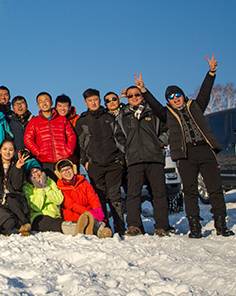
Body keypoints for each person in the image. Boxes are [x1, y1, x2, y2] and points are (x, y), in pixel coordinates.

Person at [135, 54, 233, 238]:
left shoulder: (195, 106)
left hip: (204, 151)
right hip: (184, 155)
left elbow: (205, 91)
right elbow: (155, 105)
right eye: (171, 97)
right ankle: (194, 226)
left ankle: (221, 224)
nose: (175, 98)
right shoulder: (167, 114)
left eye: (177, 94)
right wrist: (144, 90)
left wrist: (211, 72)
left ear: (182, 95)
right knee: (189, 191)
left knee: (215, 188)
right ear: (168, 101)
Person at [114, 86, 171, 236]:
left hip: (154, 158)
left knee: (159, 193)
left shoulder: (153, 111)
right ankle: (134, 225)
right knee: (133, 194)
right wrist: (127, 149)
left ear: (142, 95)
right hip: (134, 160)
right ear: (126, 98)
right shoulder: (123, 115)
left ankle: (162, 226)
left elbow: (168, 127)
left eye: (137, 94)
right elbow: (118, 135)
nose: (134, 97)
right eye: (130, 95)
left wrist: (161, 142)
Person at [75, 88, 125, 236]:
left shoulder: (109, 117)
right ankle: (105, 226)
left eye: (95, 100)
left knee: (115, 195)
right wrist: (85, 161)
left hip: (113, 163)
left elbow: (119, 137)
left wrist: (121, 158)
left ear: (99, 100)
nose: (93, 103)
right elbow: (80, 144)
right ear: (85, 102)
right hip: (94, 164)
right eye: (90, 101)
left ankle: (120, 227)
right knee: (99, 197)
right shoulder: (82, 121)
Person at [54, 159, 113, 238]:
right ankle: (81, 230)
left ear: (74, 169)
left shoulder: (83, 182)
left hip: (90, 214)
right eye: (63, 171)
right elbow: (71, 204)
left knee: (98, 224)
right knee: (70, 227)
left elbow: (92, 196)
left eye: (69, 169)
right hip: (73, 217)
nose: (67, 172)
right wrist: (87, 212)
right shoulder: (60, 187)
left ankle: (101, 233)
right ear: (59, 174)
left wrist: (97, 209)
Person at [24, 92, 77, 177]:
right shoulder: (34, 121)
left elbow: (71, 136)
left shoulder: (62, 119)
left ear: (51, 103)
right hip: (44, 161)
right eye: (41, 101)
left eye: (46, 100)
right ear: (38, 105)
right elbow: (28, 139)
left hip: (63, 159)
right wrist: (38, 152)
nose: (44, 103)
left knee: (65, 187)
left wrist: (68, 151)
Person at [0, 141, 31, 236]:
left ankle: (24, 223)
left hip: (15, 203)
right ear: (0, 151)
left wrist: (18, 168)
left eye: (11, 150)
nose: (7, 152)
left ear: (14, 152)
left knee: (11, 199)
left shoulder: (17, 164)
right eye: (5, 149)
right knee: (7, 224)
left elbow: (16, 186)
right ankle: (15, 221)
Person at [23, 165, 78, 235]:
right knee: (54, 223)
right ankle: (74, 229)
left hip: (54, 215)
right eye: (32, 173)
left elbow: (59, 200)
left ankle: (92, 229)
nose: (36, 174)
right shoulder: (27, 187)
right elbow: (37, 207)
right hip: (38, 216)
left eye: (37, 171)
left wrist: (46, 188)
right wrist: (40, 189)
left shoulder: (49, 181)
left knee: (59, 222)